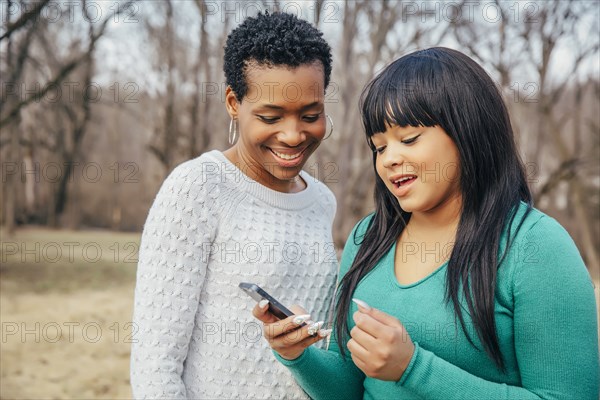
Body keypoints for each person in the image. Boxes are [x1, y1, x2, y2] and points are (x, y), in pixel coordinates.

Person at [253, 47, 599, 399]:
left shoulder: (536, 247)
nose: (389, 159)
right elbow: (349, 386)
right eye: (379, 147)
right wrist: (297, 354)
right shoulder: (367, 239)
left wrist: (413, 368)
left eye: (408, 139)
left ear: (468, 133)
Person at [130, 11, 338, 399]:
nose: (293, 135)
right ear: (233, 102)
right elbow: (154, 364)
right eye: (270, 116)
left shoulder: (322, 200)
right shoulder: (198, 187)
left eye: (311, 115)